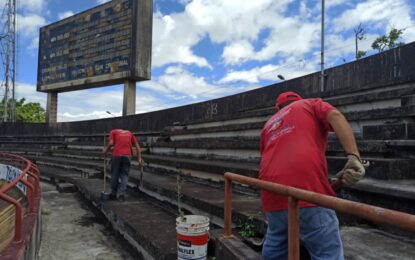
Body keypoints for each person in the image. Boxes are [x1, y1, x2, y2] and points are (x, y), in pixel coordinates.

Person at [259, 91, 367, 260]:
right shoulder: (310, 103)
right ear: (298, 100)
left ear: (277, 108)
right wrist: (354, 156)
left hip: (271, 193)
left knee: (277, 242)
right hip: (306, 191)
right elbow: (335, 115)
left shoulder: (268, 125)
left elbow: (271, 158)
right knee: (326, 253)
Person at [102, 129, 144, 201]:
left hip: (117, 154)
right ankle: (121, 194)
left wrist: (105, 150)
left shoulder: (113, 132)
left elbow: (111, 143)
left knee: (114, 174)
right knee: (124, 175)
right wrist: (139, 158)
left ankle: (113, 194)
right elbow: (137, 146)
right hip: (128, 155)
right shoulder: (129, 132)